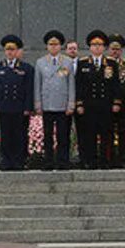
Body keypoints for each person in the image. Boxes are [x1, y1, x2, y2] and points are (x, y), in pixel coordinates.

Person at [0, 35, 35, 171]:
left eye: (12, 49)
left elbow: (29, 89)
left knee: (20, 135)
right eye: (7, 49)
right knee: (6, 135)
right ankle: (7, 161)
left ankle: (19, 161)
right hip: (4, 107)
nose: (9, 52)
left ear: (17, 51)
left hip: (20, 107)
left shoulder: (26, 68)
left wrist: (28, 107)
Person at [34, 30, 77, 169]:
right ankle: (48, 162)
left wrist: (71, 104)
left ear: (60, 46)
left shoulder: (67, 61)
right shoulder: (40, 62)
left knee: (63, 135)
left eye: (56, 44)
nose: (53, 47)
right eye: (50, 45)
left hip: (62, 104)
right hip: (46, 104)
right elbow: (37, 84)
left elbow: (71, 84)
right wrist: (38, 104)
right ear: (47, 46)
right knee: (47, 136)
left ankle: (63, 161)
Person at [74, 31, 113, 169]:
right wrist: (79, 103)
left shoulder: (110, 63)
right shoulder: (83, 63)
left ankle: (104, 160)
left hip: (105, 104)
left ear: (104, 47)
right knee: (88, 134)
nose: (97, 47)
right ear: (90, 47)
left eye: (100, 45)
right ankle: (89, 160)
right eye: (94, 45)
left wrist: (116, 103)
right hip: (89, 105)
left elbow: (115, 85)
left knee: (105, 134)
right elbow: (78, 85)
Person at [105, 34, 125, 166]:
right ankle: (110, 157)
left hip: (124, 104)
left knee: (122, 131)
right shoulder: (105, 64)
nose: (115, 52)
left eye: (117, 49)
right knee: (108, 131)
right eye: (112, 49)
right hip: (108, 104)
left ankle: (122, 157)